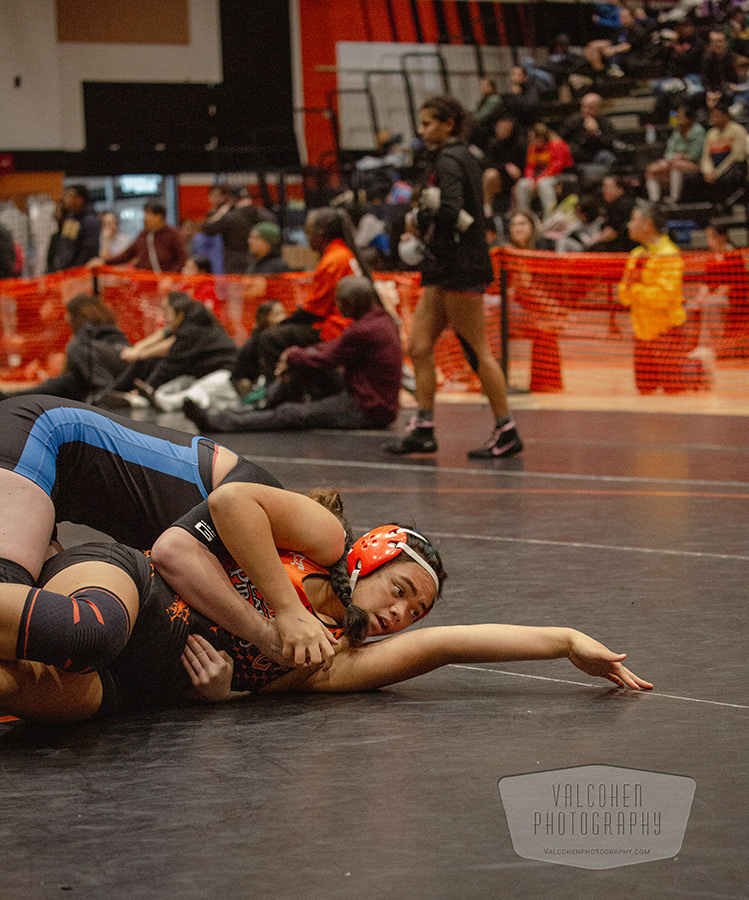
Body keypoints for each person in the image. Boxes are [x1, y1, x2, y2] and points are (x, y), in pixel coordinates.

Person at [0, 507, 651, 722]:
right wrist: (276, 615)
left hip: (125, 686)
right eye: (400, 590)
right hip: (132, 587)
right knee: (88, 631)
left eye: (414, 611)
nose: (402, 613)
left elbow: (449, 645)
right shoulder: (320, 541)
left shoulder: (330, 659)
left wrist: (565, 639)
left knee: (30, 692)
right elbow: (227, 505)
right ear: (369, 559)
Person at [0, 395, 338, 667]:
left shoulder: (243, 552)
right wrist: (273, 626)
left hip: (51, 476)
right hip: (39, 432)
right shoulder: (251, 495)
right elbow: (172, 552)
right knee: (8, 594)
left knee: (34, 631)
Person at [387, 96, 522, 460]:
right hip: (444, 265)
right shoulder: (457, 157)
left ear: (448, 124)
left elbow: (450, 210)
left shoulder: (449, 159)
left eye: (428, 123)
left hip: (460, 267)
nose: (421, 130)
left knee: (478, 350)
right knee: (419, 346)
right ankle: (424, 428)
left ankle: (507, 429)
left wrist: (417, 220)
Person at [183, 276, 401, 434]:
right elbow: (331, 348)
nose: (336, 307)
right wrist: (295, 355)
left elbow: (327, 356)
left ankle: (223, 422)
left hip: (368, 408)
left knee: (291, 413)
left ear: (352, 304)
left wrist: (292, 355)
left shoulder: (364, 330)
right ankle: (259, 406)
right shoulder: (379, 320)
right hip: (368, 399)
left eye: (339, 303)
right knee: (301, 366)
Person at [238, 207, 370, 387]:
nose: (306, 237)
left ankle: (279, 391)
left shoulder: (334, 259)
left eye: (308, 231)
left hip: (336, 327)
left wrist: (284, 323)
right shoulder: (339, 253)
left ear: (320, 233)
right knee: (269, 332)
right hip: (338, 323)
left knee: (270, 337)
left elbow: (314, 311)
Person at [618, 201, 706, 393]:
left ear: (647, 224)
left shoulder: (669, 254)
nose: (629, 225)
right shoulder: (636, 255)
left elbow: (662, 298)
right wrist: (636, 290)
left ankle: (698, 367)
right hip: (642, 333)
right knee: (645, 388)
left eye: (633, 220)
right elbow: (623, 295)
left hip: (667, 331)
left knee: (674, 389)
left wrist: (635, 289)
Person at [99, 292, 237, 408]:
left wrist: (149, 384)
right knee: (170, 387)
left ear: (179, 314)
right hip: (201, 375)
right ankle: (137, 398)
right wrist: (138, 352)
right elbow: (163, 336)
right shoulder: (190, 326)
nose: (163, 316)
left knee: (196, 393)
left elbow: (170, 363)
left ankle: (148, 400)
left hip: (223, 377)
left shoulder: (191, 332)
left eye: (166, 310)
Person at [0, 293, 129, 402]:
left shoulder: (81, 344)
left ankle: (12, 398)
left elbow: (100, 380)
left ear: (76, 316)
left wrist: (101, 396)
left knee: (66, 379)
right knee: (64, 382)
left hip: (109, 393)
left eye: (68, 315)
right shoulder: (110, 335)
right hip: (104, 383)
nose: (66, 319)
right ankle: (12, 398)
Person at [681, 95, 748, 205]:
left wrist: (718, 172)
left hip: (731, 168)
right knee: (691, 178)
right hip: (713, 169)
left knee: (725, 179)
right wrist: (708, 171)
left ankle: (724, 207)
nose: (714, 118)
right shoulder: (711, 133)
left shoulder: (737, 130)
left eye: (717, 116)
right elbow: (706, 157)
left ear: (726, 116)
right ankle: (701, 209)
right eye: (713, 116)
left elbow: (736, 156)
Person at [90, 200, 187, 273]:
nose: (145, 218)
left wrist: (170, 276)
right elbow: (127, 254)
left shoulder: (172, 234)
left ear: (158, 216)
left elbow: (182, 258)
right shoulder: (143, 235)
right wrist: (105, 262)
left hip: (167, 282)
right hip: (145, 281)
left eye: (148, 214)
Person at [201, 185, 276, 274]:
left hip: (235, 266)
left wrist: (222, 211)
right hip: (261, 264)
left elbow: (207, 229)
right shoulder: (266, 214)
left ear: (231, 199)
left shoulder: (230, 217)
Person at [645, 105, 706, 202]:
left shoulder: (698, 131)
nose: (678, 119)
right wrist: (671, 159)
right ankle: (654, 200)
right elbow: (669, 151)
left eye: (681, 117)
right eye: (677, 117)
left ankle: (674, 199)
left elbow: (695, 154)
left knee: (676, 165)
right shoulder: (677, 131)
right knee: (652, 169)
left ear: (689, 119)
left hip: (695, 164)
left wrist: (681, 157)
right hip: (673, 162)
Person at [515, 124, 575, 219]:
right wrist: (530, 179)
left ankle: (550, 217)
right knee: (522, 184)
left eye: (532, 138)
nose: (530, 140)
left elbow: (555, 168)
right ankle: (525, 217)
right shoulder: (532, 147)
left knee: (544, 184)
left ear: (541, 138)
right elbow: (529, 167)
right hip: (540, 177)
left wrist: (537, 180)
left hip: (560, 176)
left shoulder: (557, 145)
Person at [560, 93, 618, 186]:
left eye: (590, 108)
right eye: (584, 107)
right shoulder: (574, 121)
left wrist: (595, 132)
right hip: (578, 157)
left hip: (597, 157)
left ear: (598, 108)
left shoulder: (604, 122)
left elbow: (608, 141)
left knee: (608, 157)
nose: (586, 111)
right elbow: (562, 139)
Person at [482, 115, 527, 220]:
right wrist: (505, 167)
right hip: (500, 179)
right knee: (489, 174)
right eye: (500, 128)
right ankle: (486, 208)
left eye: (505, 128)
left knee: (522, 185)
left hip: (518, 179)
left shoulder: (519, 143)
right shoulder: (492, 143)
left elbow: (525, 165)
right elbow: (486, 163)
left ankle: (516, 216)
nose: (502, 131)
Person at [51, 185, 101, 272]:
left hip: (81, 271)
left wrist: (75, 269)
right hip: (65, 270)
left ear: (79, 199)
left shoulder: (91, 220)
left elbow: (89, 249)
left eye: (69, 196)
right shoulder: (70, 218)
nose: (66, 199)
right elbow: (65, 244)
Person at [588, 175, 637, 253]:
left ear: (620, 189)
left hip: (623, 250)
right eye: (603, 187)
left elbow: (612, 232)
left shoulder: (622, 205)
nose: (604, 190)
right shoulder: (613, 204)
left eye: (608, 187)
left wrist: (594, 240)